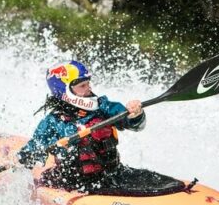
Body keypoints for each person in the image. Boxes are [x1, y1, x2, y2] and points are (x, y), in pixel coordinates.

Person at [16, 60, 183, 195]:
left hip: (113, 175)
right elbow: (34, 147)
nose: (88, 89)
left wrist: (135, 115)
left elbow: (134, 124)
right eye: (82, 86)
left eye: (88, 84)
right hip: (76, 183)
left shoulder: (103, 107)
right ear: (64, 91)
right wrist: (27, 157)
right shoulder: (52, 122)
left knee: (167, 184)